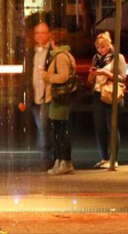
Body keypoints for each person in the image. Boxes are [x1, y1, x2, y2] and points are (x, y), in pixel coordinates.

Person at [18, 17, 55, 170]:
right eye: (37, 33)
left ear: (49, 34)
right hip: (35, 97)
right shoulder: (30, 53)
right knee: (42, 128)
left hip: (48, 96)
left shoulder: (53, 52)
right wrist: (22, 98)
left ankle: (48, 158)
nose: (39, 36)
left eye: (42, 33)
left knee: (44, 126)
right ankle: (48, 157)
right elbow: (25, 77)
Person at [42, 25, 78, 175]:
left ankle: (65, 161)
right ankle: (59, 160)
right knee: (58, 130)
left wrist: (47, 76)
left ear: (54, 42)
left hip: (59, 99)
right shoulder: (63, 54)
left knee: (60, 131)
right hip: (59, 99)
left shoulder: (61, 56)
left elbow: (63, 77)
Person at [89, 30, 127, 168]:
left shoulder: (118, 57)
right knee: (99, 128)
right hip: (98, 94)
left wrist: (106, 73)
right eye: (98, 47)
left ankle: (113, 159)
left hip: (112, 95)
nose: (101, 50)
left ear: (109, 44)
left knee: (112, 127)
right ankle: (104, 157)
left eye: (103, 46)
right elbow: (92, 80)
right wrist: (92, 74)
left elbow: (122, 78)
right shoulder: (96, 58)